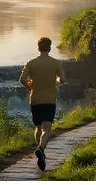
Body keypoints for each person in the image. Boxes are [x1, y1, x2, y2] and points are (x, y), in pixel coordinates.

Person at [19, 37, 66, 171]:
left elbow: (22, 79)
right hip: (49, 99)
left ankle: (42, 153)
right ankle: (40, 148)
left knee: (38, 127)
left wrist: (31, 87)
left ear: (38, 48)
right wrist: (56, 79)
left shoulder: (31, 63)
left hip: (35, 99)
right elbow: (62, 79)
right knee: (47, 128)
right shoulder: (56, 63)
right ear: (50, 48)